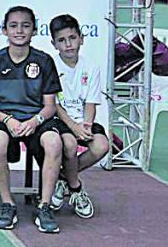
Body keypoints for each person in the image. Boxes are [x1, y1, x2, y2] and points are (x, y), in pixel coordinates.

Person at [0, 6, 63, 234]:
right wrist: (7, 119)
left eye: (25, 25)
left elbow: (50, 106)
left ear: (34, 30)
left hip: (36, 119)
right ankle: (7, 204)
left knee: (54, 143)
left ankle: (44, 206)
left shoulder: (44, 61)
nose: (19, 30)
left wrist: (34, 121)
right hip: (5, 119)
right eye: (14, 25)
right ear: (4, 30)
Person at [48, 14, 109, 219]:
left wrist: (87, 125)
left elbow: (90, 103)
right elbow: (54, 105)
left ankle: (62, 178)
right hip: (60, 120)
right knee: (70, 145)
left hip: (82, 120)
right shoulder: (51, 66)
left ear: (81, 38)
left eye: (72, 38)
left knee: (101, 146)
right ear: (54, 44)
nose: (68, 44)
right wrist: (74, 127)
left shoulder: (91, 68)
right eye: (62, 40)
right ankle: (75, 187)